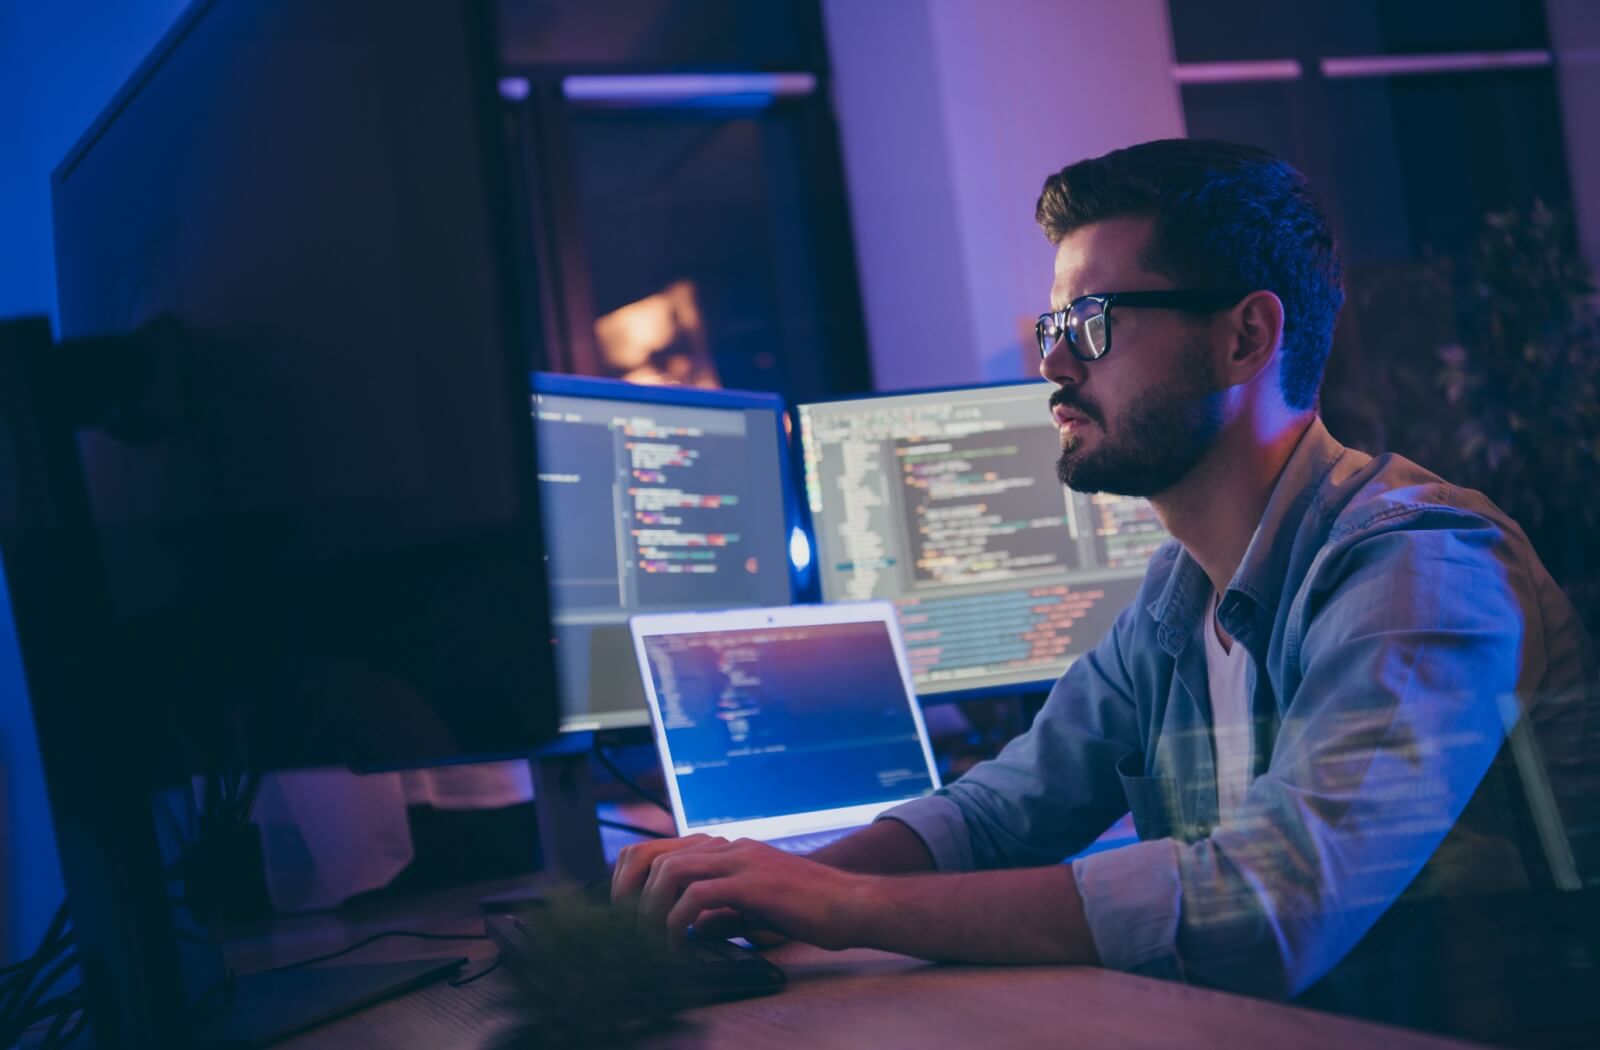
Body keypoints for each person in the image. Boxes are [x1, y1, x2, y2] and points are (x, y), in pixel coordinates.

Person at [610, 139, 1598, 1032]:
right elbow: (1000, 813)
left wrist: (840, 909)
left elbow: (1266, 908)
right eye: (1053, 321)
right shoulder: (1177, 600)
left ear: (1245, 339)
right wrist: (768, 885)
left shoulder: (1418, 570)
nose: (1048, 359)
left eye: (1090, 321)